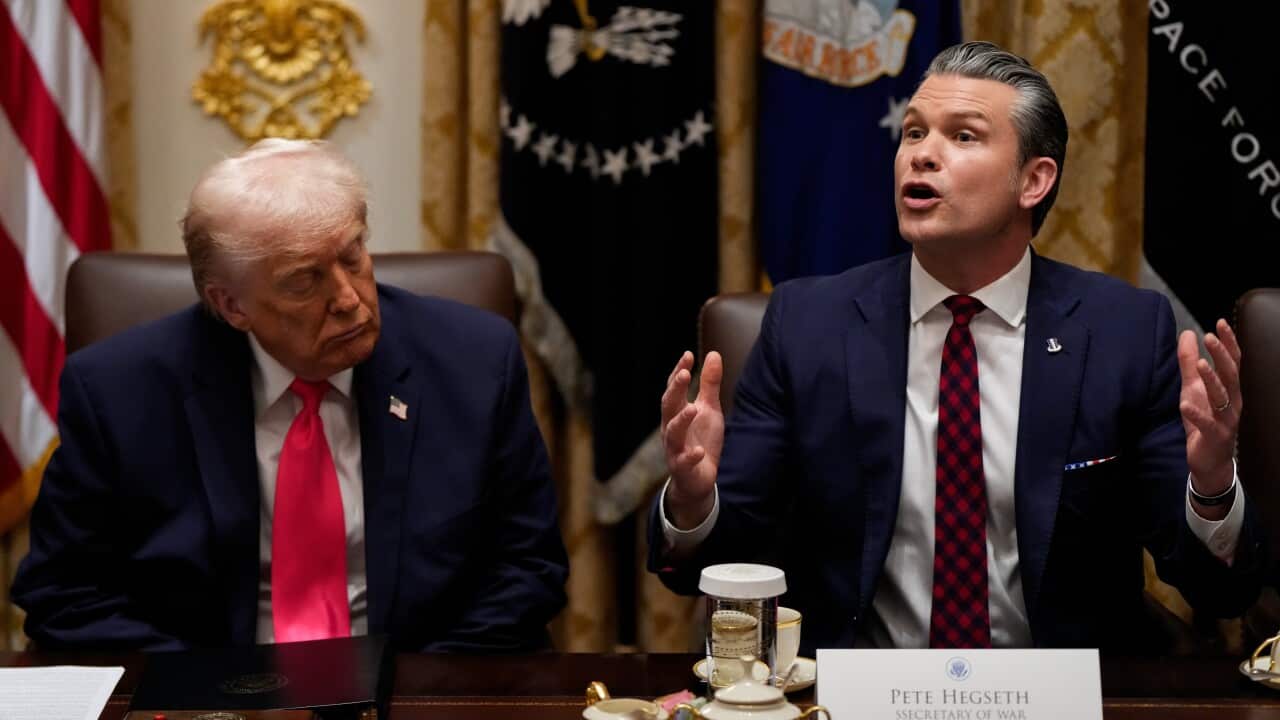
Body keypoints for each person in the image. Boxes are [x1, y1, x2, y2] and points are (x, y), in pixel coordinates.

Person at [650, 41, 1266, 652]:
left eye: (963, 136)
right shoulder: (809, 324)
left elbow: (1219, 591)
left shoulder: (1123, 332)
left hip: (1057, 697)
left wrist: (1211, 484)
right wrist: (693, 496)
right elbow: (716, 561)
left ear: (1034, 180)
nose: (922, 156)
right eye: (913, 133)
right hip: (861, 694)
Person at [13, 139, 568, 651]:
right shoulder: (118, 390)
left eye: (353, 256)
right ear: (231, 305)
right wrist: (216, 696)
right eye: (304, 282)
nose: (350, 299)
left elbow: (527, 570)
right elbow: (63, 594)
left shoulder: (472, 359)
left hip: (414, 687)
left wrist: (409, 695)